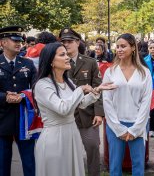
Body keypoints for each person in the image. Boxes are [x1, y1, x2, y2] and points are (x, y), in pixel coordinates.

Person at [33, 42, 116, 176]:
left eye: (66, 54)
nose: (67, 57)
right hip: (55, 139)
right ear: (51, 62)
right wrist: (80, 89)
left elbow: (81, 103)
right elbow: (63, 108)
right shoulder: (42, 85)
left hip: (71, 134)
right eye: (62, 55)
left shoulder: (67, 82)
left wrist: (96, 90)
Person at [103, 33, 152, 176]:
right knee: (115, 166)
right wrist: (118, 128)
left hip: (138, 124)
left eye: (123, 46)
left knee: (138, 165)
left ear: (133, 48)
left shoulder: (144, 73)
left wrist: (135, 129)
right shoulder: (110, 72)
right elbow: (107, 101)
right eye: (117, 46)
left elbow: (146, 101)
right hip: (114, 124)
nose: (119, 49)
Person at [59, 27, 104, 176]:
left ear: (78, 42)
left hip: (87, 115)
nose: (66, 44)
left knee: (92, 148)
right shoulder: (57, 63)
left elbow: (98, 88)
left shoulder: (90, 62)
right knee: (68, 152)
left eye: (70, 41)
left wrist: (99, 113)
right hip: (66, 115)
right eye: (63, 41)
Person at [0, 26, 37, 176]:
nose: (18, 43)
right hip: (2, 119)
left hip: (24, 119)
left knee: (29, 162)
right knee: (2, 163)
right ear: (3, 42)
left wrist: (22, 96)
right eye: (14, 40)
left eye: (20, 40)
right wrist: (5, 97)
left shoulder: (28, 64)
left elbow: (36, 86)